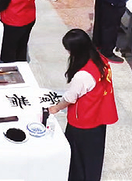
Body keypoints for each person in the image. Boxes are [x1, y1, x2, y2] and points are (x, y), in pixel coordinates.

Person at [47, 29, 118, 181]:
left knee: (77, 159)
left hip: (83, 122)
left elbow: (70, 98)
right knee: (93, 158)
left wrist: (56, 108)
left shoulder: (83, 75)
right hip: (98, 116)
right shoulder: (100, 59)